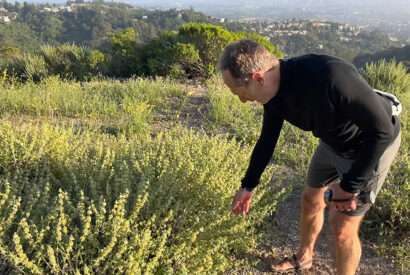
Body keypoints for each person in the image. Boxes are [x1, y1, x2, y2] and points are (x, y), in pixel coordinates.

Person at [219, 39, 401, 275]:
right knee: (309, 200)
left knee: (342, 227)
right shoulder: (272, 95)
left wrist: (349, 186)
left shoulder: (329, 75)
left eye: (239, 92)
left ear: (258, 78)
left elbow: (382, 131)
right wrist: (248, 185)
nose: (242, 100)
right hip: (331, 140)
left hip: (369, 144)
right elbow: (267, 141)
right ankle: (304, 258)